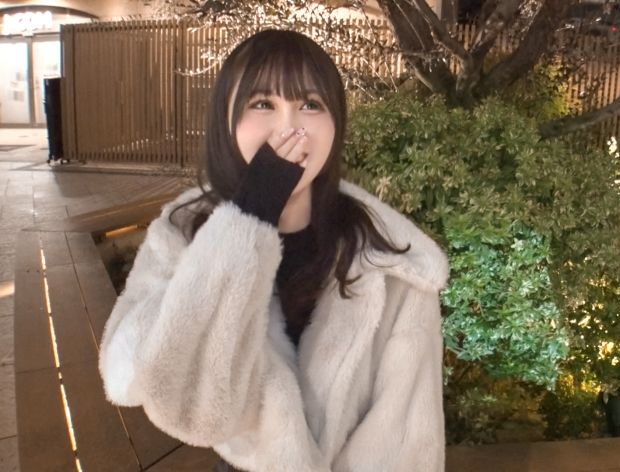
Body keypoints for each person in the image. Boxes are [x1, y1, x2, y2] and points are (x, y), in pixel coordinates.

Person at [98, 29, 448, 472]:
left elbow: (406, 445)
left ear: (336, 122)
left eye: (311, 104)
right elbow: (160, 390)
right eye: (263, 103)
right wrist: (249, 216)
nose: (289, 127)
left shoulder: (389, 258)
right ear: (227, 120)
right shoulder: (185, 234)